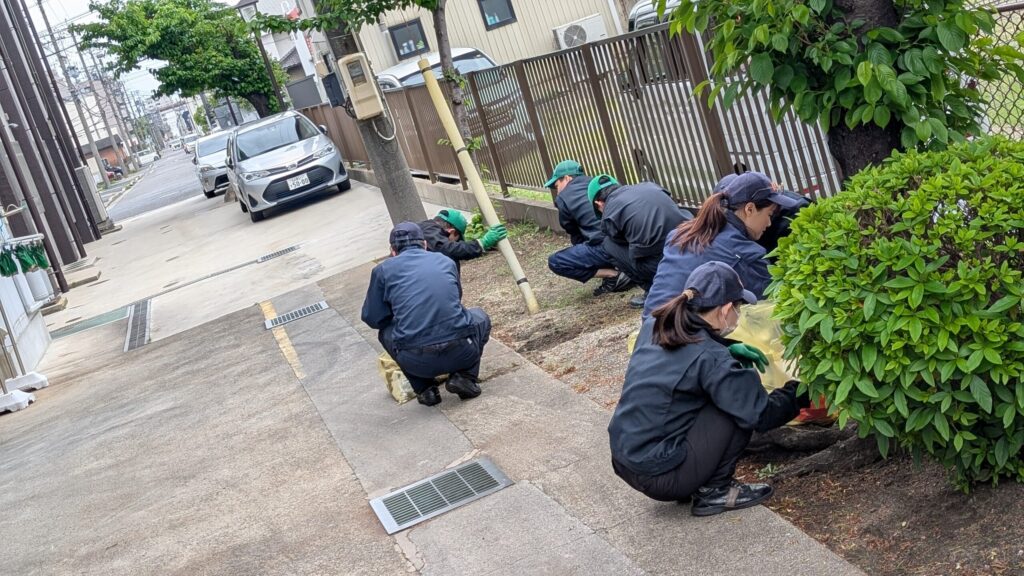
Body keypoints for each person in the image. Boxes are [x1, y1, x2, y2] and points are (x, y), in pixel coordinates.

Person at [608, 261, 810, 516]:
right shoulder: (712, 359)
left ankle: (695, 478)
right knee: (736, 405)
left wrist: (727, 346)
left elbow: (685, 359)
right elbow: (760, 414)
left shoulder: (655, 324)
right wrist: (801, 391)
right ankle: (715, 491)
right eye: (738, 308)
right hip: (660, 475)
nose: (738, 314)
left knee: (722, 394)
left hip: (627, 458)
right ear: (725, 310)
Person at [362, 222, 492, 407]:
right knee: (480, 316)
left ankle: (425, 390)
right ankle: (464, 377)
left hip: (417, 362)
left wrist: (399, 313)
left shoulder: (382, 271)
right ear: (424, 244)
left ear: (393, 251)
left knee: (386, 332)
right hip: (461, 351)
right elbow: (455, 299)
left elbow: (373, 318)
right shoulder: (445, 260)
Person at [642, 171, 801, 319]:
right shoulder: (746, 254)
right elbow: (774, 304)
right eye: (769, 214)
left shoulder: (681, 233)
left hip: (650, 325)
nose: (769, 223)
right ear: (750, 209)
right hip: (682, 335)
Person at [588, 174, 691, 308]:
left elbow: (622, 243)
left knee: (608, 245)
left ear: (599, 203)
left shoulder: (609, 214)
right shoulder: (649, 186)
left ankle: (653, 292)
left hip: (662, 260)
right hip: (691, 244)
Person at [544, 160, 633, 295]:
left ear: (567, 178)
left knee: (556, 262)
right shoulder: (599, 183)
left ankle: (614, 274)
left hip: (607, 247)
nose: (557, 191)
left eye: (556, 185)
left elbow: (572, 230)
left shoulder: (564, 197)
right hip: (631, 241)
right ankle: (625, 266)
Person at [418, 209, 506, 273]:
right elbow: (450, 249)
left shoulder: (424, 229)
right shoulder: (430, 232)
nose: (455, 243)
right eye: (457, 241)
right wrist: (482, 243)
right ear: (452, 231)